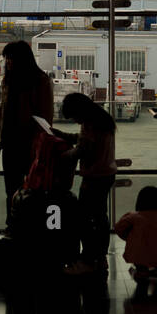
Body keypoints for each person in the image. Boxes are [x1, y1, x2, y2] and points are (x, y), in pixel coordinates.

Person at [0, 41, 54, 227]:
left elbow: (45, 116)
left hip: (30, 145)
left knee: (33, 188)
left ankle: (29, 225)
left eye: (11, 58)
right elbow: (2, 111)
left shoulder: (40, 81)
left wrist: (41, 143)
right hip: (10, 143)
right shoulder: (8, 81)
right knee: (12, 189)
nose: (7, 62)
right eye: (6, 58)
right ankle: (14, 224)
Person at [53, 92, 116, 276]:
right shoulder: (102, 119)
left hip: (94, 177)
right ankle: (100, 258)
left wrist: (61, 157)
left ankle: (88, 260)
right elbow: (84, 141)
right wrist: (62, 135)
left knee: (84, 220)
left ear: (80, 111)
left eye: (74, 117)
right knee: (100, 219)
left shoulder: (90, 123)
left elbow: (82, 149)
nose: (76, 121)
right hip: (106, 174)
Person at [114, 186, 157, 281]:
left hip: (137, 254)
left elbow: (118, 228)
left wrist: (129, 237)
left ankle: (141, 270)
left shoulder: (133, 217)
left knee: (140, 253)